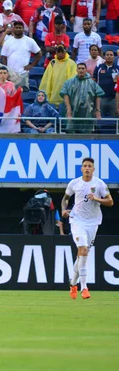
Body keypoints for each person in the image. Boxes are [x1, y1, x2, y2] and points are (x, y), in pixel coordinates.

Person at [62, 158, 113, 300]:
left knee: (82, 255)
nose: (87, 168)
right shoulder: (75, 183)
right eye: (85, 166)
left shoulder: (99, 184)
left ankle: (73, 283)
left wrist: (97, 199)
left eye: (90, 166)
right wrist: (64, 209)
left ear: (93, 169)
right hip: (77, 220)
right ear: (81, 168)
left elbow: (110, 201)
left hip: (93, 222)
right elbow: (65, 198)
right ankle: (84, 287)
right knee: (83, 250)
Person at [60, 63, 105, 133]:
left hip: (88, 112)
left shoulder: (92, 83)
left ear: (86, 70)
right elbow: (65, 94)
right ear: (76, 70)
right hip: (73, 111)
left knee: (87, 133)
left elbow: (98, 95)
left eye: (83, 68)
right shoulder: (69, 82)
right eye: (79, 68)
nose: (81, 70)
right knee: (71, 132)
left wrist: (98, 110)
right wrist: (68, 108)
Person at [0, 21, 42, 89]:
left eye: (20, 28)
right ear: (13, 29)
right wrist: (6, 71)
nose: (18, 29)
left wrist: (31, 65)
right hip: (10, 74)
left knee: (22, 95)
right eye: (16, 27)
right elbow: (4, 58)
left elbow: (39, 54)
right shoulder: (7, 42)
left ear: (23, 29)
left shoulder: (29, 41)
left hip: (23, 73)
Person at [94, 50, 119, 117]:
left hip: (113, 99)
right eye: (107, 55)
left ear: (114, 57)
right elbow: (94, 82)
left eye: (111, 55)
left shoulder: (117, 68)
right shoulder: (99, 67)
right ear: (104, 57)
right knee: (99, 121)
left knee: (114, 122)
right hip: (101, 99)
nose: (109, 56)